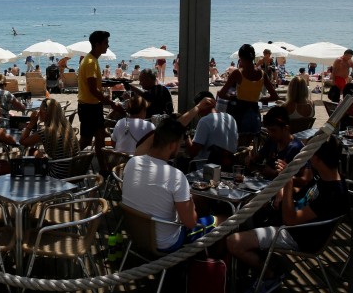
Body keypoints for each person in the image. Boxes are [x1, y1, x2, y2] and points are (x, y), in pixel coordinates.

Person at [227, 135, 350, 293]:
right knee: (244, 215)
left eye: (308, 153)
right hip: (293, 225)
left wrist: (288, 181)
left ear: (318, 158)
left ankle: (271, 274)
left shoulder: (332, 194)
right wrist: (283, 190)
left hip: (297, 235)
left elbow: (290, 220)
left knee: (233, 242)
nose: (305, 156)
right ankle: (248, 268)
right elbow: (303, 198)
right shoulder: (328, 176)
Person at [122, 116, 225, 253]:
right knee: (224, 220)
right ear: (173, 145)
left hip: (136, 235)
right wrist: (192, 207)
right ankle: (210, 263)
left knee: (197, 200)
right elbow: (190, 223)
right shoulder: (176, 176)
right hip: (166, 243)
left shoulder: (132, 163)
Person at [77, 30, 125, 175]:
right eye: (105, 42)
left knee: (100, 138)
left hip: (92, 105)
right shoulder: (90, 62)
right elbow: (92, 89)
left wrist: (109, 84)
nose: (107, 45)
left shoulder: (92, 60)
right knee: (86, 140)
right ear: (97, 44)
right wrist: (111, 103)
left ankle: (104, 169)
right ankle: (67, 159)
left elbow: (94, 84)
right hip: (89, 106)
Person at [218, 44, 278, 134]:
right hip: (254, 112)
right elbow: (274, 97)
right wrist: (260, 99)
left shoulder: (238, 73)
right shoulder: (262, 74)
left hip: (239, 114)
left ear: (240, 57)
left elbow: (221, 94)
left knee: (239, 142)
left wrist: (233, 97)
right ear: (253, 57)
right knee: (252, 139)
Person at [253, 107, 313, 193]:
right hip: (264, 187)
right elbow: (257, 159)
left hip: (284, 193)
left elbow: (306, 180)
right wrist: (251, 159)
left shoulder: (296, 148)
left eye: (273, 130)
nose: (270, 133)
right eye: (268, 130)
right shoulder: (271, 141)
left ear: (285, 128)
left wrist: (275, 174)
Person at [19, 99, 80, 178]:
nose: (39, 112)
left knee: (30, 151)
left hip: (57, 175)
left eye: (40, 110)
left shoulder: (46, 131)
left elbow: (23, 141)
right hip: (74, 172)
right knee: (36, 153)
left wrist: (31, 123)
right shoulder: (66, 127)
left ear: (46, 112)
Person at [184, 91, 238, 165]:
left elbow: (193, 153)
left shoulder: (205, 121)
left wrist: (185, 133)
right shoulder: (230, 118)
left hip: (207, 168)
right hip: (228, 166)